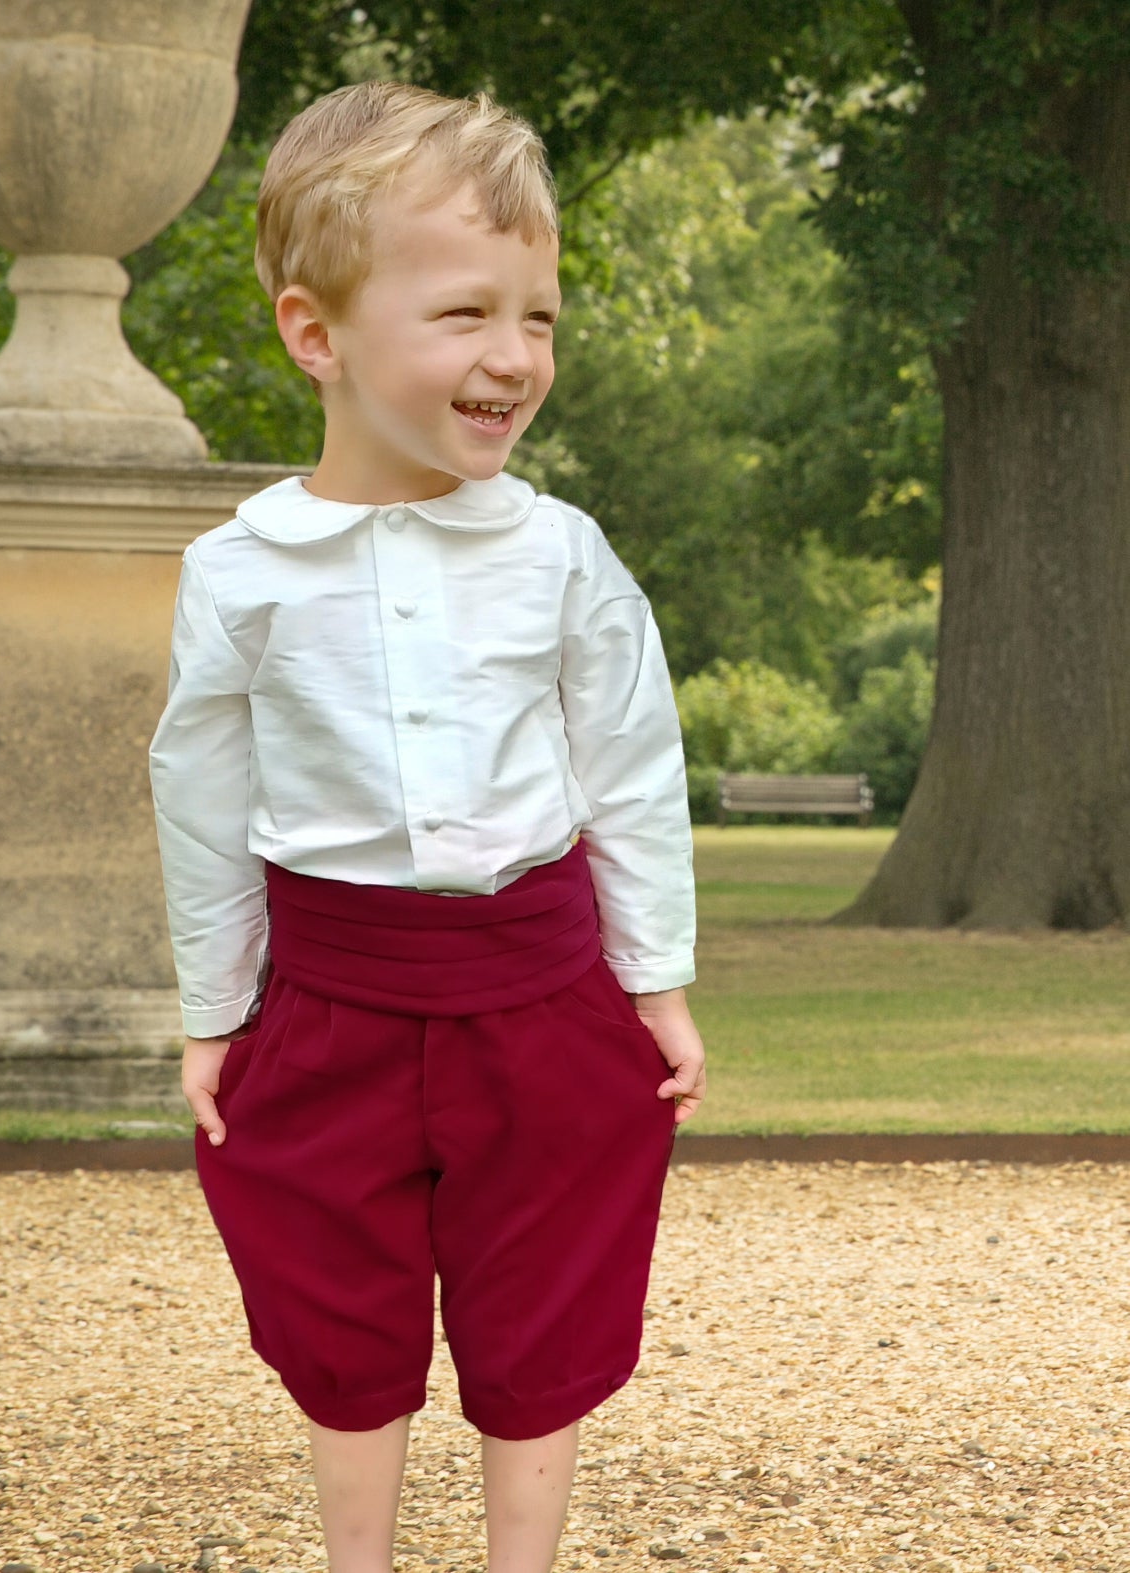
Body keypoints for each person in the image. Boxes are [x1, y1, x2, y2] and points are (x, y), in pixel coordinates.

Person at [148, 79, 706, 1573]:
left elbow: (631, 766)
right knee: (335, 1297)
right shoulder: (243, 571)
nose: (512, 358)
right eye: (465, 314)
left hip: (542, 990)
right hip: (326, 997)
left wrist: (652, 979)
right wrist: (216, 1008)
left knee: (552, 1288)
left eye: (538, 318)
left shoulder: (563, 557)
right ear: (315, 333)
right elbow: (202, 798)